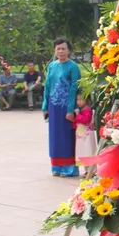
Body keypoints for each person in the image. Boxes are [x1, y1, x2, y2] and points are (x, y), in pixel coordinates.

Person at [42, 38, 81, 177]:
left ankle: (69, 168)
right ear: (54, 50)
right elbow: (47, 86)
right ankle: (56, 167)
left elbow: (74, 89)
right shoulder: (52, 66)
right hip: (54, 107)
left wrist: (71, 109)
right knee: (55, 137)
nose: (61, 51)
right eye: (58, 48)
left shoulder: (73, 67)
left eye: (63, 48)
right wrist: (45, 107)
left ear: (68, 50)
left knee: (67, 137)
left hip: (66, 107)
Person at [73, 94, 97, 161]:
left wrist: (78, 115)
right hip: (81, 136)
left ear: (86, 100)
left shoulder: (88, 110)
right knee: (82, 151)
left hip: (86, 136)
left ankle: (89, 169)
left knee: (88, 150)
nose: (78, 102)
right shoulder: (81, 110)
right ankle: (86, 169)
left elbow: (86, 120)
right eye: (77, 100)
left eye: (80, 100)